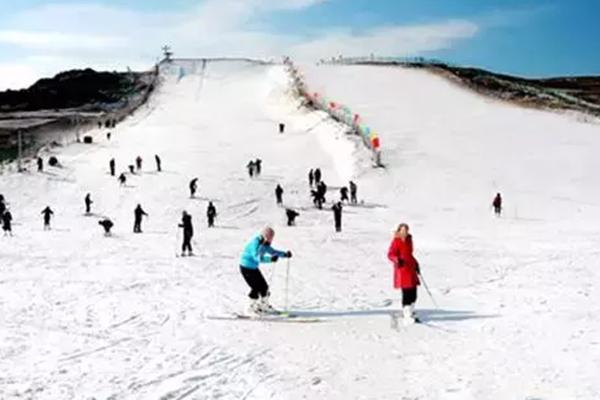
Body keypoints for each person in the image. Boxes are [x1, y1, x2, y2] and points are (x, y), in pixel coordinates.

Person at [239, 226, 292, 314]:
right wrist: (270, 259)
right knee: (255, 287)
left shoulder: (264, 244)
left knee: (264, 287)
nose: (270, 241)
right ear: (265, 236)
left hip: (253, 268)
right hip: (246, 267)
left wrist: (284, 254)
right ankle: (250, 308)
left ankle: (263, 306)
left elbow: (273, 252)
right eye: (269, 238)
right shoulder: (255, 243)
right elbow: (257, 258)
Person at [387, 223, 421, 326]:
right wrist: (397, 260)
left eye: (406, 230)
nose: (405, 232)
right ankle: (407, 315)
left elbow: (410, 254)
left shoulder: (409, 240)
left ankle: (411, 311)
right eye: (403, 230)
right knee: (406, 293)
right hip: (402, 271)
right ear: (399, 231)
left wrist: (416, 264)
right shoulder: (396, 241)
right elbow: (390, 254)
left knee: (414, 293)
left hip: (411, 270)